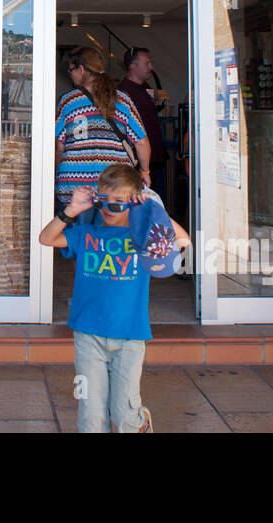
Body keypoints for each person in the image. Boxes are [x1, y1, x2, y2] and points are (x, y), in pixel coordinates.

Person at [39, 164, 190, 433]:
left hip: (130, 337)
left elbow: (183, 239)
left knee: (124, 416)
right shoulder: (86, 234)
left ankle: (140, 421)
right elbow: (46, 238)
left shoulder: (144, 238)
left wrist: (152, 208)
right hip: (88, 336)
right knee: (91, 415)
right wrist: (71, 210)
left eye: (119, 203)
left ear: (132, 202)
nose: (109, 208)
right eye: (103, 200)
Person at [55, 46, 152, 218]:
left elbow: (58, 146)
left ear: (82, 69)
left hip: (74, 187)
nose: (70, 74)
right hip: (114, 186)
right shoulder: (123, 100)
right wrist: (145, 172)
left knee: (73, 239)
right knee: (111, 238)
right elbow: (141, 141)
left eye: (71, 70)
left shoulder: (67, 101)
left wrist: (52, 173)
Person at [119, 47, 170, 214]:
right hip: (139, 165)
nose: (151, 67)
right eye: (147, 63)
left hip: (152, 159)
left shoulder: (143, 88)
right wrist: (143, 168)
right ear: (133, 66)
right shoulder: (124, 92)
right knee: (143, 208)